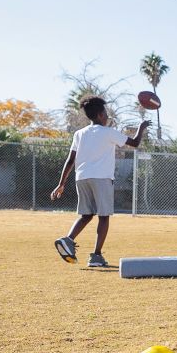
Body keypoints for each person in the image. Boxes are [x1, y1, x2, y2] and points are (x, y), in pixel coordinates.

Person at [50, 96, 150, 267]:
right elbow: (134, 143)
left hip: (81, 177)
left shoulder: (79, 134)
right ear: (100, 115)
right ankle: (96, 256)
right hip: (101, 178)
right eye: (105, 112)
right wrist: (141, 128)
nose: (107, 115)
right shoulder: (108, 132)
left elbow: (70, 159)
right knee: (104, 217)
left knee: (86, 215)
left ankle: (68, 239)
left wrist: (61, 183)